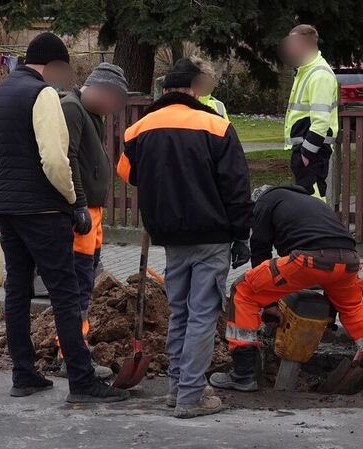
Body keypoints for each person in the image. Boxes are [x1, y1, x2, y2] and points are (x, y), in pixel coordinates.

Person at [0, 32, 129, 403]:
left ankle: (24, 374)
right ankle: (82, 382)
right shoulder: (42, 94)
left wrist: (10, 192)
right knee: (64, 295)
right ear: (55, 65)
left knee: (16, 291)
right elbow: (54, 159)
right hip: (45, 211)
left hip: (7, 208)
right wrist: (73, 200)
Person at [117, 58, 253, 418]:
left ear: (163, 91)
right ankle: (191, 394)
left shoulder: (137, 130)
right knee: (204, 314)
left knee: (180, 311)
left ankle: (177, 386)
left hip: (170, 236)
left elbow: (128, 175)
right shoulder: (217, 126)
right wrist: (241, 235)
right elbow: (237, 188)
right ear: (194, 90)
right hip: (212, 235)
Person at [210, 185, 363, 392]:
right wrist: (330, 311)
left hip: (310, 259)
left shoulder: (264, 203)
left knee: (244, 289)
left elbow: (260, 252)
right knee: (353, 309)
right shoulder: (311, 203)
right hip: (350, 260)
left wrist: (268, 304)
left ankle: (243, 373)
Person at [52, 62, 129, 380]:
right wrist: (78, 205)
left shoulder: (90, 113)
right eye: (112, 99)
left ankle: (73, 350)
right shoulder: (71, 108)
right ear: (98, 89)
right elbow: (66, 157)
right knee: (78, 285)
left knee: (85, 282)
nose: (113, 107)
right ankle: (71, 354)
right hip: (80, 215)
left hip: (91, 214)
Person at [280, 24, 339, 200]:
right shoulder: (306, 71)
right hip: (306, 148)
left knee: (312, 201)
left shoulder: (319, 74)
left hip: (312, 150)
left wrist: (307, 154)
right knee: (307, 201)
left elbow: (321, 121)